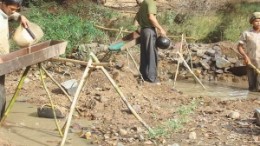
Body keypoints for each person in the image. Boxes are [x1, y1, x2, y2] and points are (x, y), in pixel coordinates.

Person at [0, 0, 29, 120]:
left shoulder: (4, 13)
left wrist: (21, 17)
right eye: (11, 9)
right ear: (1, 3)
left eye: (15, 9)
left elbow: (12, 15)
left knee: (1, 88)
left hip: (2, 60)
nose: (13, 12)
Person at [135, 0, 166, 83]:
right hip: (149, 31)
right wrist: (160, 29)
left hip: (143, 30)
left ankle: (144, 76)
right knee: (152, 54)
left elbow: (137, 17)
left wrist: (143, 24)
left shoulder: (143, 3)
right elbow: (151, 17)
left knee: (144, 54)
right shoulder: (151, 2)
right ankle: (152, 78)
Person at [237, 12, 260, 92]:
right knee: (252, 87)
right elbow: (239, 47)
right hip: (250, 62)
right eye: (256, 21)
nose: (259, 23)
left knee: (259, 87)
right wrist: (245, 57)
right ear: (252, 22)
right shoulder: (246, 33)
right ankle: (252, 101)